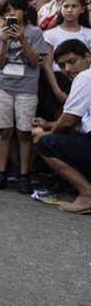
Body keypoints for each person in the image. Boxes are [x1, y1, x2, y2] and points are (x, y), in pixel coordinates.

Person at [0, 0, 46, 194]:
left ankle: (24, 175)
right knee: (4, 131)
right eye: (7, 11)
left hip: (26, 89)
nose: (11, 13)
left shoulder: (35, 32)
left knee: (24, 133)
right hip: (3, 86)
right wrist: (4, 42)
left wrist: (22, 40)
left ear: (24, 11)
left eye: (15, 9)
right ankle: (1, 173)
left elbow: (33, 61)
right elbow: (0, 64)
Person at [32, 39, 91, 214]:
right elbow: (79, 122)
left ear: (87, 56)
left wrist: (47, 135)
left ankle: (88, 194)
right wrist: (49, 126)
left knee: (45, 145)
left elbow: (68, 121)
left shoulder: (85, 76)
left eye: (72, 62)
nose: (67, 69)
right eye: (62, 65)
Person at [41, 0, 91, 120]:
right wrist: (57, 91)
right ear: (60, 8)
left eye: (74, 6)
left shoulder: (88, 33)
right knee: (59, 120)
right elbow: (46, 65)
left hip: (83, 80)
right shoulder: (49, 33)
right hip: (57, 80)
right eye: (66, 6)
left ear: (82, 9)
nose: (69, 10)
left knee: (81, 120)